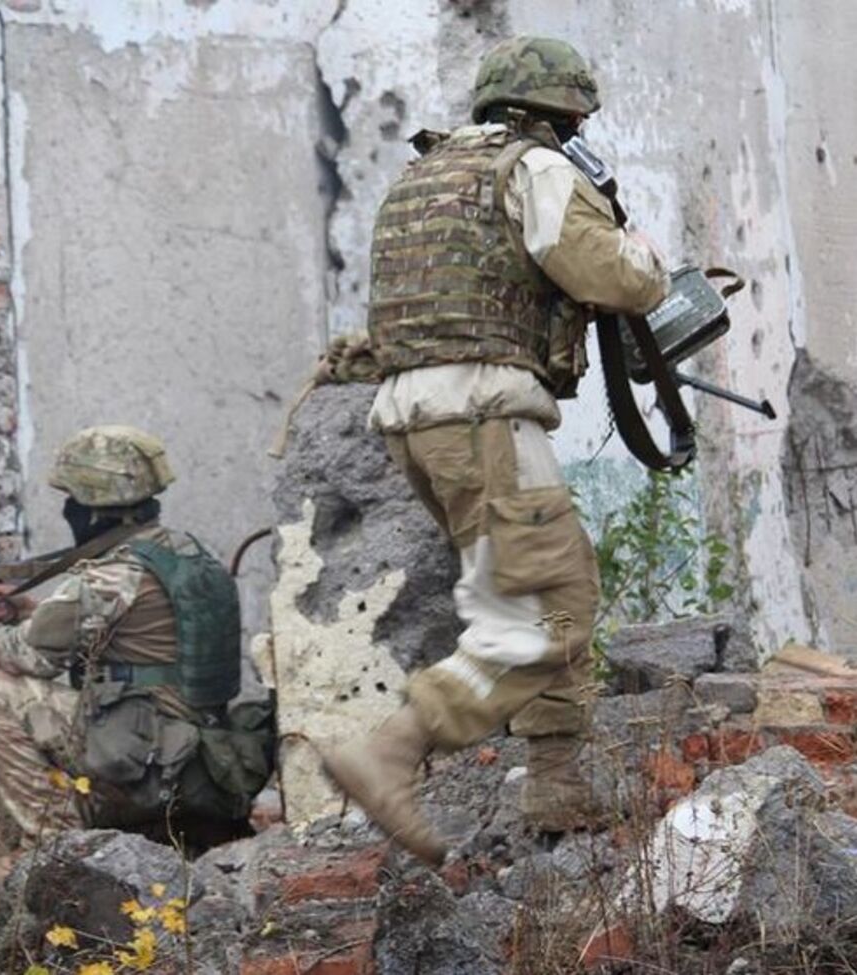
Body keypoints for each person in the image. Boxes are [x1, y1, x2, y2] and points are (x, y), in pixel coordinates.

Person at [321, 36, 669, 865]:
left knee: (543, 584)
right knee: (549, 609)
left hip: (421, 422)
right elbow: (609, 276)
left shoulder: (422, 179)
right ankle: (396, 747)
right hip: (483, 416)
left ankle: (556, 782)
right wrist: (645, 256)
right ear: (560, 112)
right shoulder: (537, 170)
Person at [0, 425, 271, 888]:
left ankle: (60, 855)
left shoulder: (112, 575)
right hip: (198, 751)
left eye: (72, 499)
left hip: (151, 758)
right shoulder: (184, 552)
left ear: (92, 508)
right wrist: (25, 608)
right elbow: (134, 636)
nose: (68, 509)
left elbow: (24, 655)